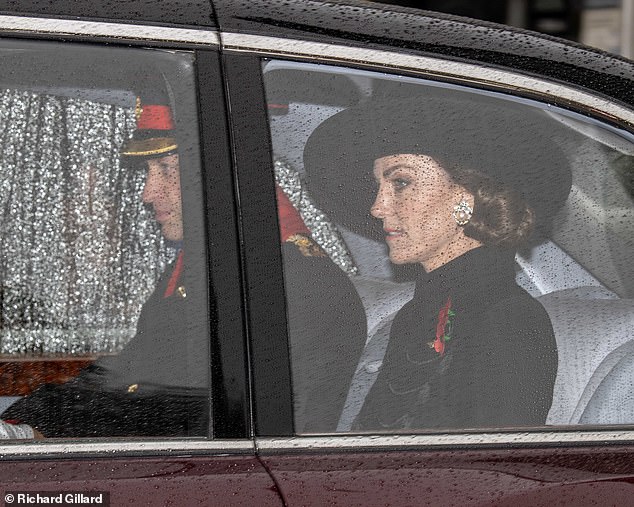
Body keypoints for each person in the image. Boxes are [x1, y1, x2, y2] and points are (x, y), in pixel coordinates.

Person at [303, 96, 572, 431]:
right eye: (378, 186)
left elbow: (494, 471)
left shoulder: (508, 319)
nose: (377, 206)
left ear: (465, 198)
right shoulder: (416, 315)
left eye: (400, 182)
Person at [2, 97, 211, 437]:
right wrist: (25, 422)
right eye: (148, 172)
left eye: (166, 170)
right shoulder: (188, 272)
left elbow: (186, 420)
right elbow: (120, 377)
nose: (147, 193)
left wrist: (40, 434)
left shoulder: (281, 281)